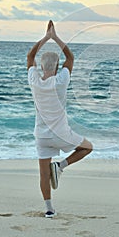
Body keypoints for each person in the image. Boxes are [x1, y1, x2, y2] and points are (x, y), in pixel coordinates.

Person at [27, 20, 92, 218]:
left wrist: (45, 37)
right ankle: (61, 166)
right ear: (56, 68)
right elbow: (70, 58)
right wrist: (55, 38)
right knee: (87, 147)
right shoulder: (61, 80)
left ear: (41, 67)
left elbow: (30, 56)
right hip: (61, 133)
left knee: (43, 174)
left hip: (42, 135)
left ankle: (48, 209)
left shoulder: (34, 81)